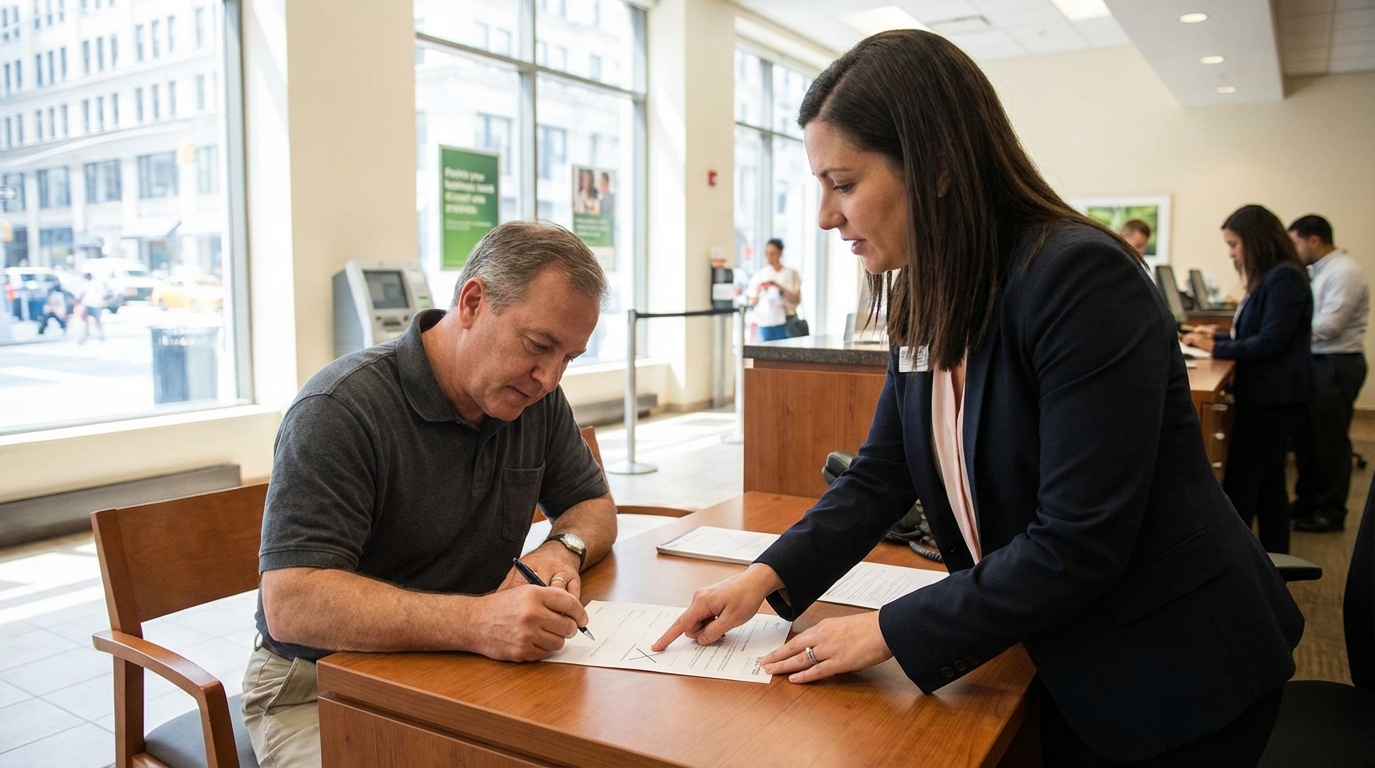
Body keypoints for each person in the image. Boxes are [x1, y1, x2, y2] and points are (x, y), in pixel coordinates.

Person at [655, 31, 1302, 767]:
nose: (825, 217)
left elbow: (1078, 542)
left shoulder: (1080, 280)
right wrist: (764, 580)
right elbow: (879, 474)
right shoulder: (925, 295)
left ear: (934, 168)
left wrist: (885, 631)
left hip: (1171, 668)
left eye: (842, 183)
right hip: (1054, 647)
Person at [242, 220, 618, 768]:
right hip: (320, 685)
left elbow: (593, 505)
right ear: (471, 302)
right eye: (539, 345)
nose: (548, 378)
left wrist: (562, 550)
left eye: (568, 358)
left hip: (458, 664)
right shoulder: (340, 409)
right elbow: (293, 604)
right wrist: (476, 622)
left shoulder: (531, 401)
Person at [1183, 206, 1314, 554]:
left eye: (1234, 244)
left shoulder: (1284, 277)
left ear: (1255, 240)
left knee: (1243, 483)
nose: (1231, 253)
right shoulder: (1274, 276)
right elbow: (1254, 333)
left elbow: (1271, 340)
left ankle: (1236, 563)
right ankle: (1273, 558)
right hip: (1269, 394)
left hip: (1275, 396)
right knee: (1270, 483)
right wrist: (1217, 342)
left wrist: (1214, 344)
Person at [1288, 214, 1368, 533]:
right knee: (1308, 438)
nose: (1294, 251)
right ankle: (1308, 501)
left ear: (1313, 240)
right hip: (1318, 362)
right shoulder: (1318, 271)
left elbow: (1329, 327)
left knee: (1329, 441)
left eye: (1296, 243)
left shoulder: (1344, 272)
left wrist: (1285, 329)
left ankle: (1331, 511)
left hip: (1336, 363)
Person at [746, 238, 801, 341]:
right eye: (767, 253)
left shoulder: (790, 273)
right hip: (766, 321)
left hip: (786, 321)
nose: (769, 257)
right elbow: (751, 302)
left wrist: (777, 286)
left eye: (773, 253)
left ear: (780, 253)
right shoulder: (761, 274)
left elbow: (796, 299)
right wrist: (759, 290)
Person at [76, 272, 106, 343]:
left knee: (90, 320)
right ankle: (96, 333)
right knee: (94, 319)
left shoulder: (87, 284)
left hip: (91, 304)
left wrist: (78, 301)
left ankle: (91, 333)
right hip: (93, 304)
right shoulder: (95, 284)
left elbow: (81, 294)